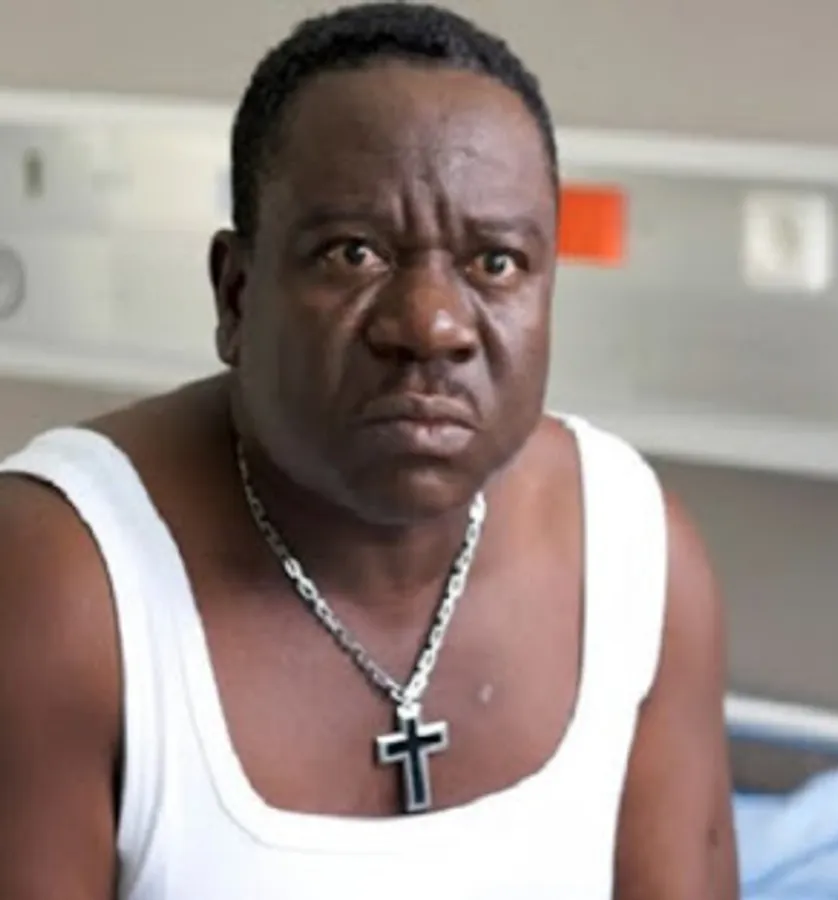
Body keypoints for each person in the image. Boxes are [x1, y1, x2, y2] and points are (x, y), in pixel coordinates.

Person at [0, 4, 738, 898]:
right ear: (236, 296)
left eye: (495, 263)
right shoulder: (60, 581)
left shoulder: (634, 558)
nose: (431, 324)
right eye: (353, 254)